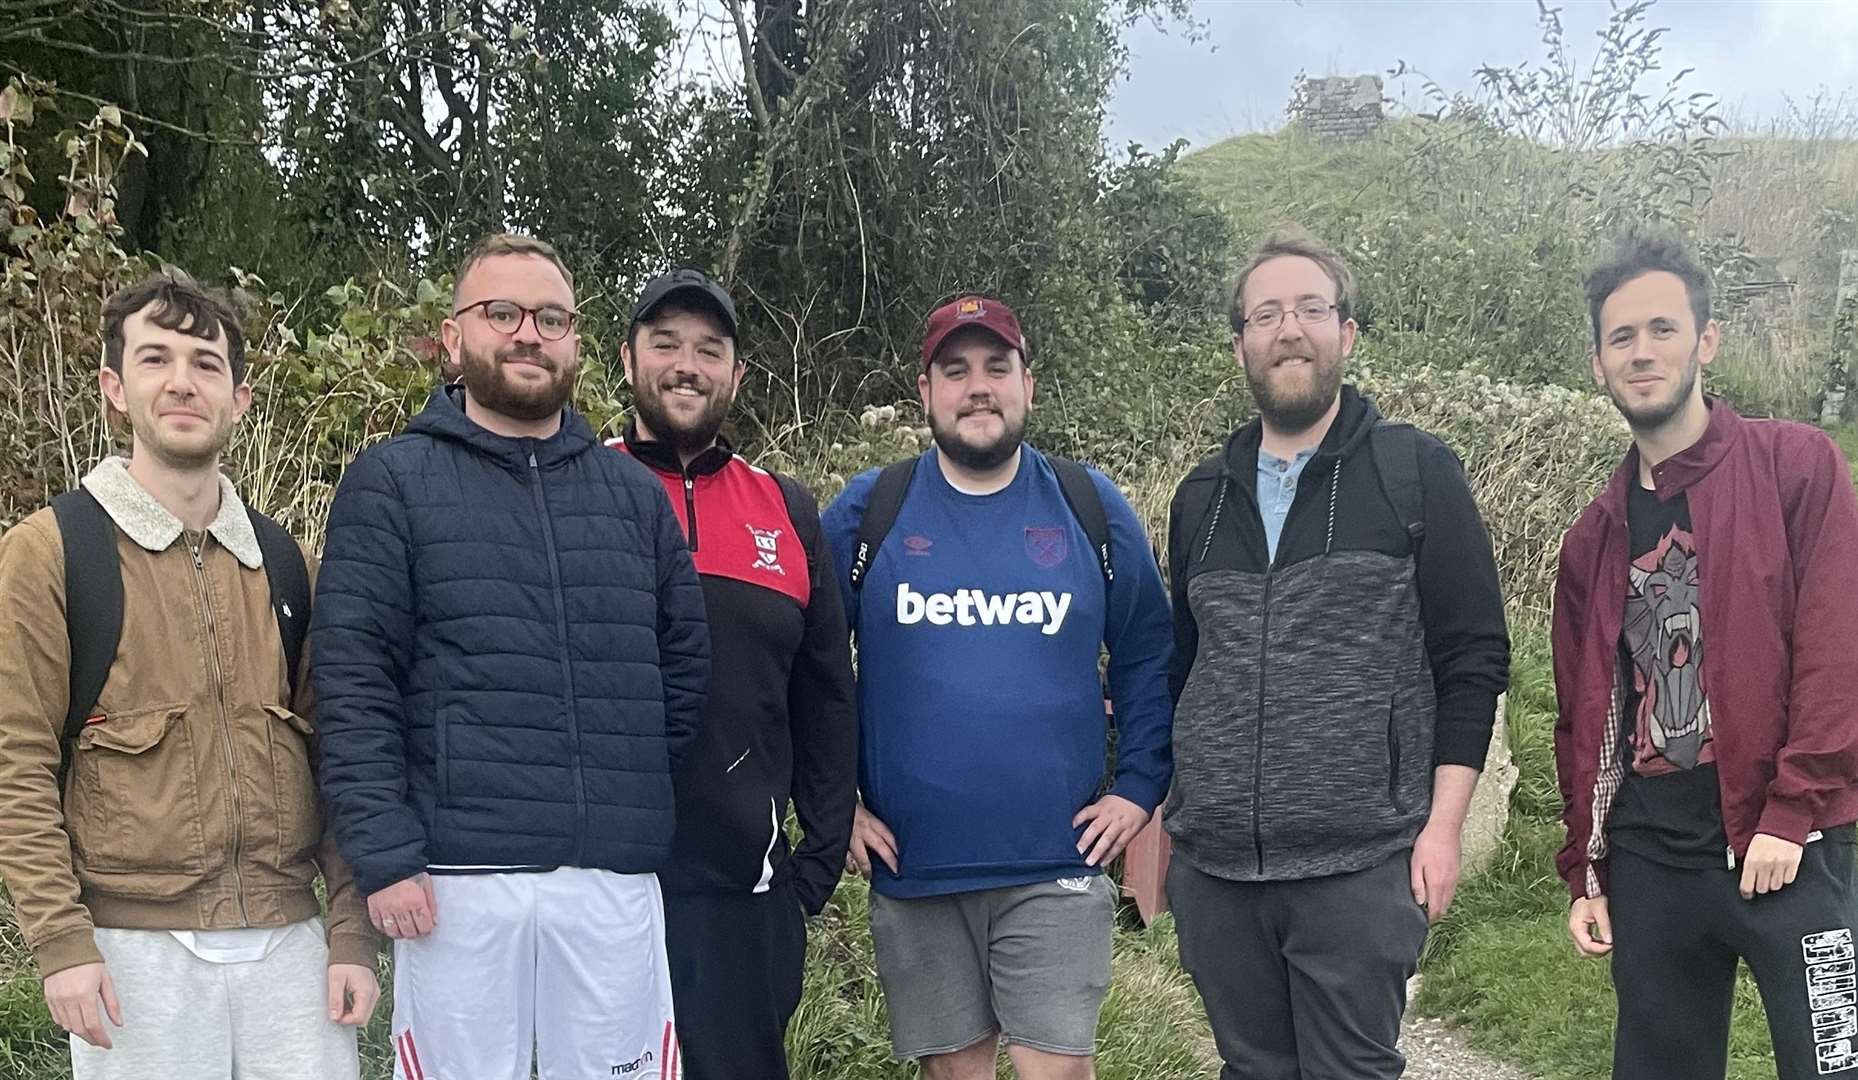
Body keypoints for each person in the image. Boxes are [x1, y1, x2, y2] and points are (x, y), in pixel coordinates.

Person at [311, 234, 711, 1080]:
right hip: (456, 886)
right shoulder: (391, 482)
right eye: (503, 313)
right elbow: (352, 682)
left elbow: (683, 671)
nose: (529, 333)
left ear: (576, 342)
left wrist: (624, 781)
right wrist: (386, 855)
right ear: (455, 337)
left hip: (611, 882)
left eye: (552, 317)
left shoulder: (632, 498)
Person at [0, 269, 379, 1079]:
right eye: (155, 358)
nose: (182, 382)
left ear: (239, 396)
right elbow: (16, 761)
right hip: (134, 954)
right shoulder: (50, 552)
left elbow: (343, 757)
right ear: (114, 387)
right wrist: (62, 943)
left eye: (207, 363)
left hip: (289, 944)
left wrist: (350, 930)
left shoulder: (290, 565)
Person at [1164, 227, 1511, 1080]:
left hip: (1360, 865)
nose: (1291, 328)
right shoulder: (1201, 498)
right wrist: (1165, 831)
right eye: (1267, 312)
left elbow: (1473, 658)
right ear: (1239, 342)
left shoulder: (1413, 471)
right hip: (1216, 875)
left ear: (1346, 334)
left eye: (1312, 308)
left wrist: (1443, 830)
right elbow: (1181, 671)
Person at [821, 295, 1174, 1079]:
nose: (977, 387)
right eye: (956, 371)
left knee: (1057, 1070)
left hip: (1054, 858)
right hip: (918, 868)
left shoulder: (1089, 506)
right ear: (926, 391)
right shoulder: (870, 511)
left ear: (1028, 385)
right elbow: (806, 664)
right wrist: (831, 801)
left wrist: (1141, 786)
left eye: (996, 368)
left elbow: (1152, 652)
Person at [1554, 227, 1858, 1080]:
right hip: (1653, 862)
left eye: (1662, 329)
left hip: (1797, 847)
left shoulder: (1798, 466)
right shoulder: (1593, 538)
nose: (1642, 352)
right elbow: (1583, 716)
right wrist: (1586, 865)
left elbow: (1839, 652)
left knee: (1840, 1054)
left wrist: (1794, 811)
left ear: (1705, 340)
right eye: (1622, 337)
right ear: (1598, 362)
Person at [609, 268, 858, 1080]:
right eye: (667, 344)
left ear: (737, 375)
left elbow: (825, 694)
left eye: (709, 350)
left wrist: (814, 868)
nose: (687, 364)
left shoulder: (785, 509)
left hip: (744, 902)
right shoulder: (580, 488)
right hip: (598, 892)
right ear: (627, 359)